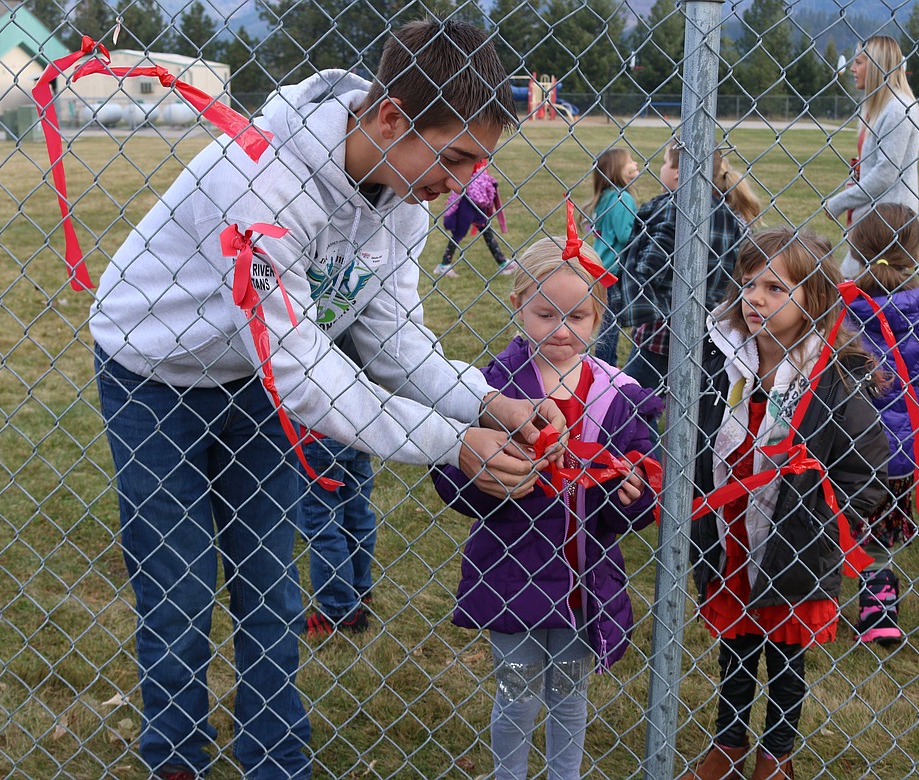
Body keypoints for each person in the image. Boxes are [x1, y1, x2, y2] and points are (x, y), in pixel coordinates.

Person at [90, 19, 568, 779]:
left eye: (479, 162)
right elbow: (307, 378)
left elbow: (395, 339)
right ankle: (175, 757)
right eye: (455, 157)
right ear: (389, 118)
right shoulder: (260, 181)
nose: (465, 182)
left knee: (269, 586)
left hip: (254, 384)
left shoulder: (405, 198)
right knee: (177, 589)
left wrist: (488, 405)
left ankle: (275, 760)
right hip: (154, 377)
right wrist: (452, 444)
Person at [433, 232, 661, 780]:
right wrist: (482, 477)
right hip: (511, 568)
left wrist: (630, 493)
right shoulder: (490, 389)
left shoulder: (617, 395)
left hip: (585, 577)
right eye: (545, 313)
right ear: (517, 307)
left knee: (568, 691)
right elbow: (452, 470)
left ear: (599, 318)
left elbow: (636, 494)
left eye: (578, 317)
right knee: (515, 692)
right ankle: (508, 774)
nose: (561, 331)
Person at [685, 228, 888, 780]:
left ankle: (776, 755)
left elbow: (867, 471)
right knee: (738, 646)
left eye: (775, 288)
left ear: (814, 299)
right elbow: (696, 437)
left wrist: (818, 520)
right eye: (749, 283)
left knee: (786, 655)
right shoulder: (719, 359)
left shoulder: (835, 378)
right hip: (730, 535)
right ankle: (727, 746)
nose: (754, 298)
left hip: (796, 541)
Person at [843, 205, 919, 645]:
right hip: (897, 455)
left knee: (831, 522)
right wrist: (915, 426)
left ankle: (811, 596)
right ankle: (879, 604)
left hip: (839, 448)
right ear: (916, 249)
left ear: (855, 247)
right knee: (877, 535)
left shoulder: (840, 307)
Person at [618, 141, 757, 392]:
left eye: (663, 162)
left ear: (678, 172)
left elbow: (650, 268)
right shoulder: (728, 214)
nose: (659, 168)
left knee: (629, 399)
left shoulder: (671, 209)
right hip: (710, 333)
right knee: (692, 400)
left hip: (661, 336)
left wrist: (629, 301)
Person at [823, 34, 919, 278]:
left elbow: (886, 173)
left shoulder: (898, 109)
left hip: (887, 228)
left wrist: (840, 201)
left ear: (878, 66)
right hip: (874, 223)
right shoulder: (879, 108)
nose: (852, 68)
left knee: (859, 293)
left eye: (859, 62)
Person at [297, 434, 376, 637]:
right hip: (358, 431)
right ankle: (358, 588)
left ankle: (339, 608)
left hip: (317, 434)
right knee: (357, 515)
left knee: (321, 523)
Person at [584, 147, 640, 366]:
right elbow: (627, 235)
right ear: (616, 169)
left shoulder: (606, 196)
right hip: (613, 271)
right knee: (611, 321)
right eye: (630, 161)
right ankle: (605, 363)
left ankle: (604, 361)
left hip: (600, 265)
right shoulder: (621, 198)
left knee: (607, 318)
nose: (636, 164)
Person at [433, 158, 510, 278]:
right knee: (459, 232)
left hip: (479, 197)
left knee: (485, 229)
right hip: (467, 198)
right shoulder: (473, 153)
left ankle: (502, 262)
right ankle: (444, 265)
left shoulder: (484, 154)